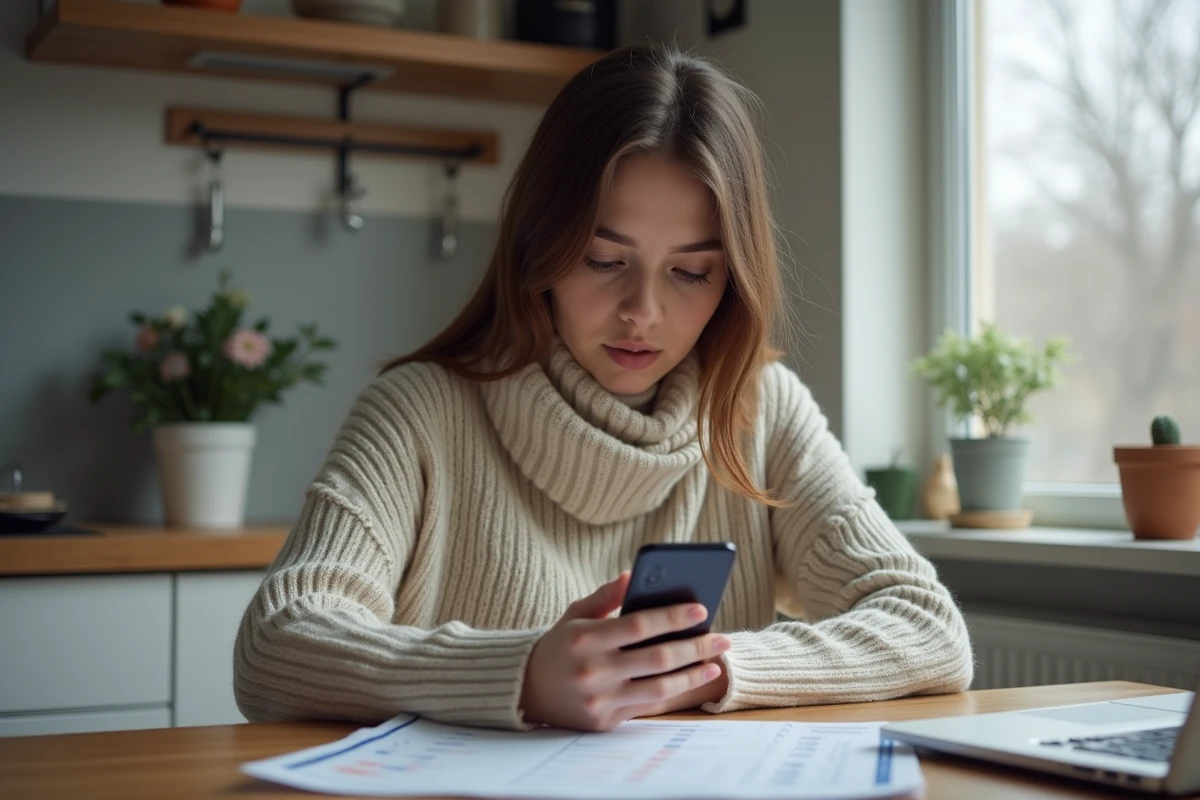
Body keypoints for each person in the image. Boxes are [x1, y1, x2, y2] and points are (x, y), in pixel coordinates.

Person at [233, 41, 974, 733]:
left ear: (733, 280)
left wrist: (701, 671)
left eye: (692, 272)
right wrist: (521, 675)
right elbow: (276, 645)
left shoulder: (759, 408)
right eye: (602, 259)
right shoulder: (417, 412)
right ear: (541, 245)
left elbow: (930, 629)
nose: (643, 312)